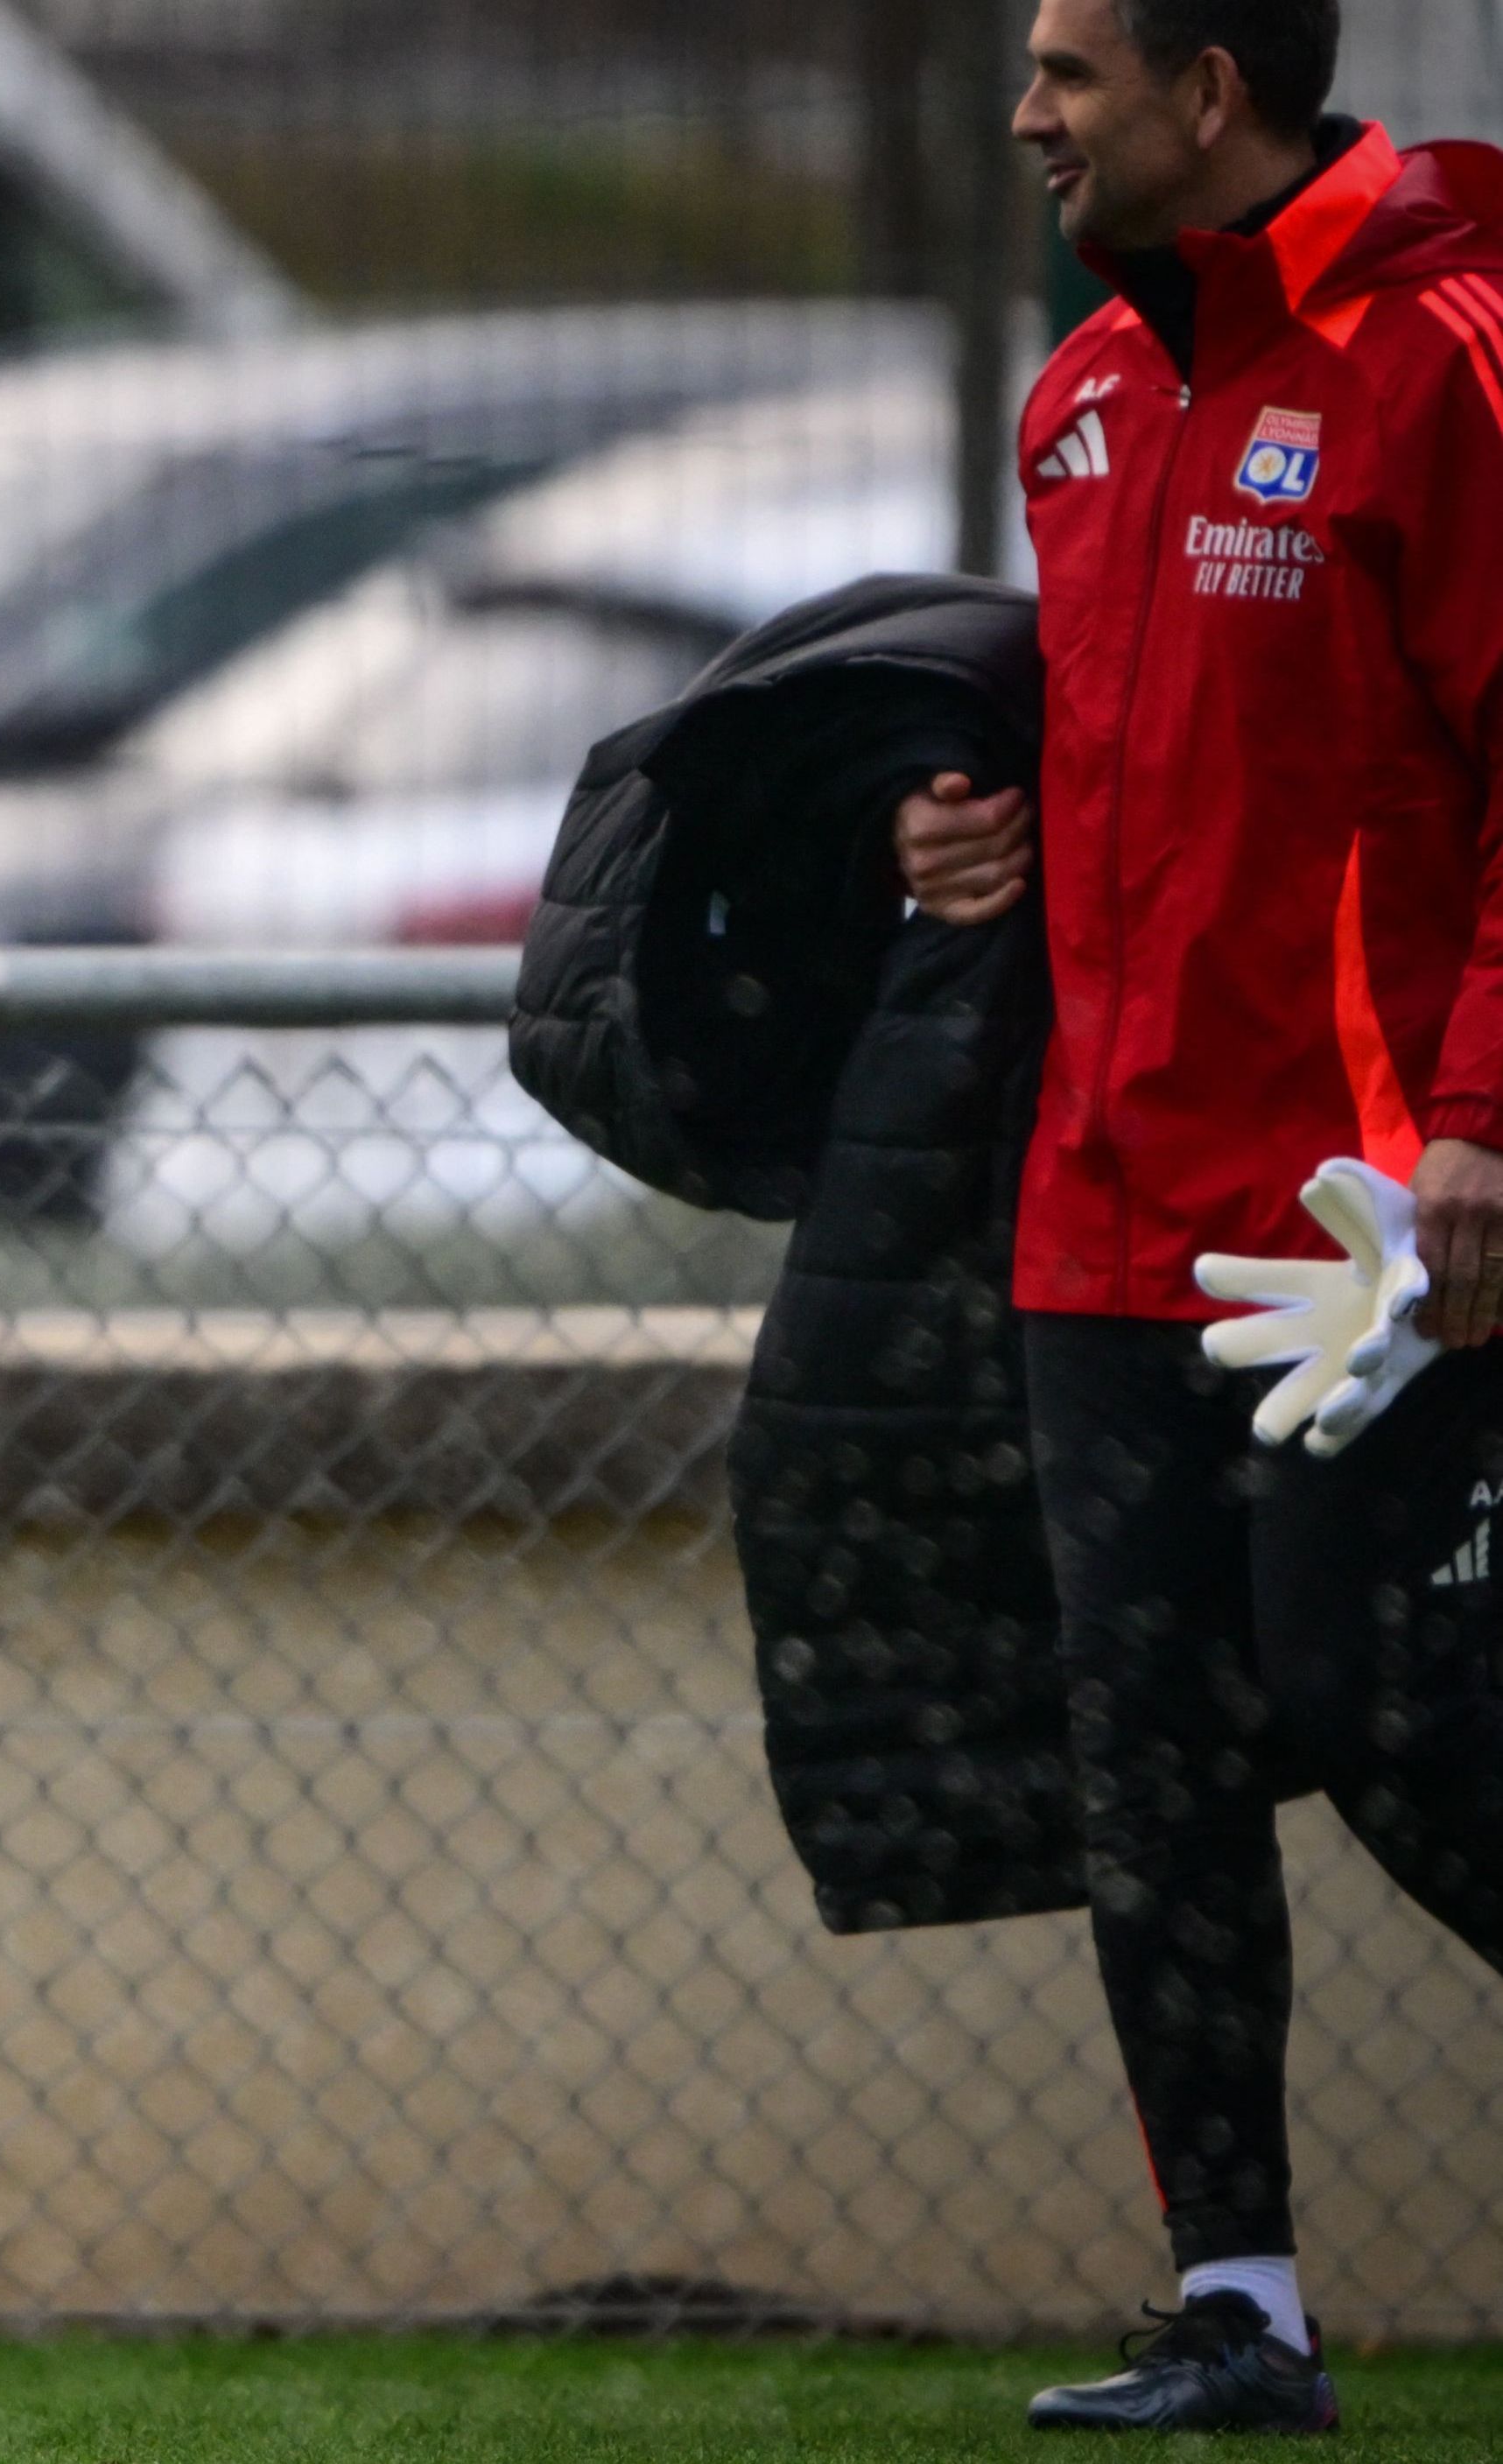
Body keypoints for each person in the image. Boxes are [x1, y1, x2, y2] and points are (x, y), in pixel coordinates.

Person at [905, 0, 1503, 2432]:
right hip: (1099, 1216)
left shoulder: (1449, 362)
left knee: (1397, 1721)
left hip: (1364, 1225)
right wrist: (963, 847)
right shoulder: (1084, 399)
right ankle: (1238, 2307)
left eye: (1064, 70)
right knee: (1145, 1766)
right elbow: (1147, 766)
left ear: (1210, 86)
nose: (1026, 114)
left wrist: (1480, 1124)